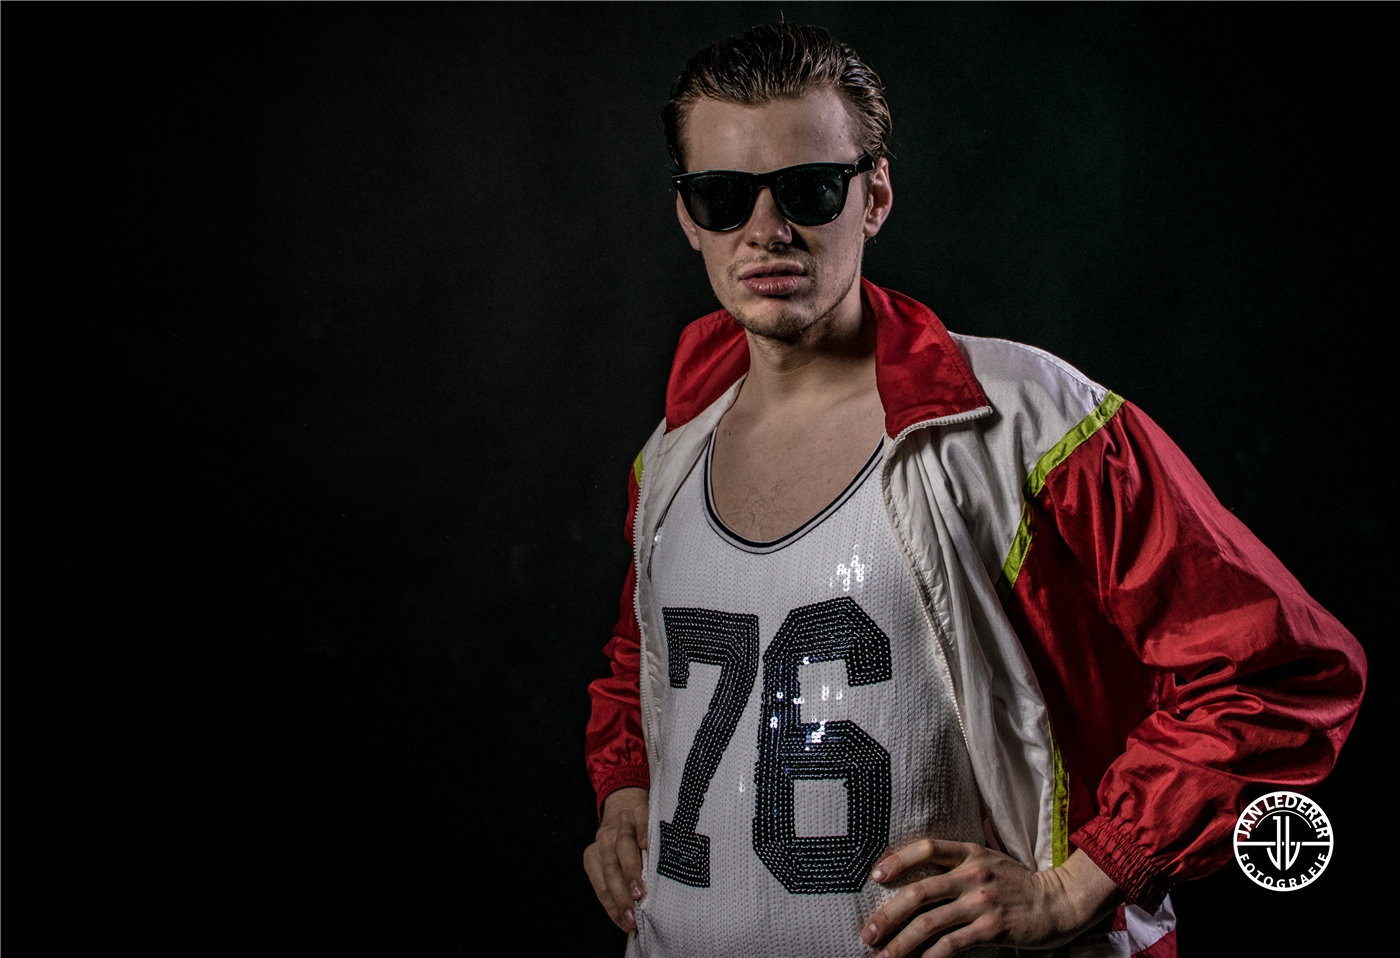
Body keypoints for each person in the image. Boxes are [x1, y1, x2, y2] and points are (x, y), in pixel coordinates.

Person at [582, 22, 1364, 958]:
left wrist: (1086, 879)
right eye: (722, 196)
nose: (766, 230)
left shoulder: (1030, 423)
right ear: (686, 214)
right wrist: (626, 785)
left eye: (809, 189)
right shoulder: (670, 454)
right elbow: (649, 660)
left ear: (874, 195)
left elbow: (1276, 669)